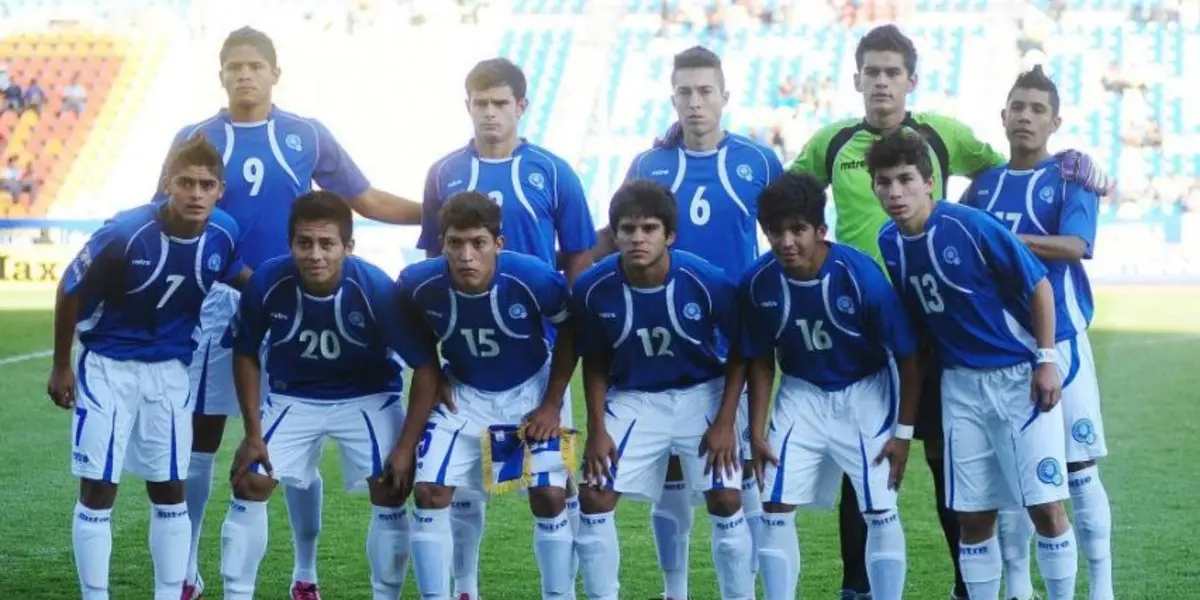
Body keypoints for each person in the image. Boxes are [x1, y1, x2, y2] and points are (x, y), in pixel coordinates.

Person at [777, 25, 1110, 600]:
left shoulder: (948, 155)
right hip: (884, 340)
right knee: (894, 469)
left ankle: (1023, 586)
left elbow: (1017, 183)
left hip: (982, 352)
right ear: (856, 78)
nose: (881, 82)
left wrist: (1079, 161)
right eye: (872, 72)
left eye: (892, 72)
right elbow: (783, 193)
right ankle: (861, 585)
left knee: (1003, 482)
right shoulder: (833, 148)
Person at [157, 27, 423, 600]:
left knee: (297, 421)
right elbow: (170, 211)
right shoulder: (196, 136)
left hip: (290, 301)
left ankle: (306, 573)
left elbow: (365, 199)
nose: (245, 74)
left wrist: (437, 215)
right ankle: (187, 572)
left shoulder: (304, 134)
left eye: (256, 65)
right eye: (234, 66)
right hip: (217, 303)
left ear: (277, 73)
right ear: (220, 74)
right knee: (203, 440)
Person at [590, 46, 783, 600]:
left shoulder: (760, 160)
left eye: (705, 91)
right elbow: (619, 234)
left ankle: (743, 588)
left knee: (735, 476)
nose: (695, 103)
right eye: (684, 92)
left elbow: (785, 233)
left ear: (725, 96)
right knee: (673, 474)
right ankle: (675, 590)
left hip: (733, 339)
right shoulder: (650, 164)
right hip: (658, 340)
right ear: (671, 97)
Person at [871, 131, 1079, 600]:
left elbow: (1039, 286)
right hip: (960, 387)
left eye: (906, 180)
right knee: (973, 515)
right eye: (884, 182)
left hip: (1017, 378)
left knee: (1045, 505)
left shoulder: (969, 225)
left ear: (930, 184)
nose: (895, 192)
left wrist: (1046, 360)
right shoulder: (889, 241)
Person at [418, 56, 596, 600]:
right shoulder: (445, 172)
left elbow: (579, 257)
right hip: (470, 361)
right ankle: (464, 587)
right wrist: (438, 367)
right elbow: (431, 272)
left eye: (501, 104)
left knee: (546, 492)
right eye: (480, 103)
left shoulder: (553, 170)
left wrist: (565, 333)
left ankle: (559, 588)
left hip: (536, 360)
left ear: (521, 107)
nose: (490, 114)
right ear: (466, 105)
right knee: (462, 486)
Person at [47, 135, 245, 600]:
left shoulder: (224, 232)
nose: (196, 193)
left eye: (206, 184)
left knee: (170, 489)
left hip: (172, 370)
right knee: (99, 488)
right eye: (186, 182)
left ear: (220, 190)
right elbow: (69, 288)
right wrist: (61, 366)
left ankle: (169, 593)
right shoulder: (124, 232)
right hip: (109, 367)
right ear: (167, 185)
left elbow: (239, 277)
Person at [217, 191, 439, 600]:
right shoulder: (268, 280)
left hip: (367, 396)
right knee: (250, 482)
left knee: (391, 488)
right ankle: (249, 590)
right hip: (293, 395)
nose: (315, 254)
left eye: (327, 244)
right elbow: (245, 352)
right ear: (291, 245)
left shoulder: (375, 287)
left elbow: (427, 368)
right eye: (305, 243)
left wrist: (406, 446)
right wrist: (252, 433)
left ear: (348, 247)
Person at [961, 66, 1112, 600]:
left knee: (1078, 470)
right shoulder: (982, 186)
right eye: (1017, 107)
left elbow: (1076, 245)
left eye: (1036, 109)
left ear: (1055, 121)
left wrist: (1002, 238)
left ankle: (1103, 588)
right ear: (1002, 117)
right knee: (1013, 480)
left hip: (1063, 342)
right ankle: (1019, 586)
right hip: (1002, 352)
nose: (1025, 116)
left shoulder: (1073, 177)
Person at [741, 172, 921, 600]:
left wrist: (903, 433)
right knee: (774, 505)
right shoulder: (757, 282)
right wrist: (756, 429)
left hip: (865, 390)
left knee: (880, 508)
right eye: (775, 231)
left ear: (821, 230)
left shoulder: (861, 276)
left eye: (798, 230)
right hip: (801, 392)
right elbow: (760, 360)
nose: (786, 241)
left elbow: (910, 357)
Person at [572, 180, 753, 600]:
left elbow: (743, 350)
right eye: (627, 229)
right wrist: (596, 428)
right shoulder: (593, 288)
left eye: (649, 228)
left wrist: (727, 421)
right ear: (613, 234)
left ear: (669, 234)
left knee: (726, 499)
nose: (638, 238)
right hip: (634, 397)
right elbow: (594, 359)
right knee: (594, 497)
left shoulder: (707, 281)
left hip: (703, 392)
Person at [399, 190, 579, 600]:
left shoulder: (533, 277)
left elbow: (571, 330)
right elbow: (411, 328)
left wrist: (551, 403)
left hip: (530, 391)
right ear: (440, 242)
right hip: (463, 393)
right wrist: (434, 371)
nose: (466, 255)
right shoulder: (418, 283)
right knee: (430, 492)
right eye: (455, 243)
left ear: (498, 244)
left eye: (477, 243)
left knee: (548, 496)